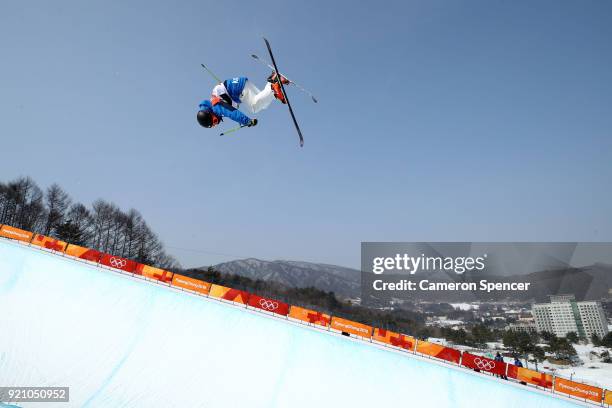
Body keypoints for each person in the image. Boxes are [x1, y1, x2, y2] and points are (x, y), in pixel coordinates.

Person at [197, 73, 290, 128]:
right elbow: (231, 108)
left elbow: (232, 113)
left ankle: (274, 87)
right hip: (239, 85)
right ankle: (274, 79)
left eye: (215, 121)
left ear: (210, 114)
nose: (217, 123)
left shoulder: (216, 106)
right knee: (262, 103)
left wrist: (246, 121)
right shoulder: (214, 101)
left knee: (254, 107)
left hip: (238, 89)